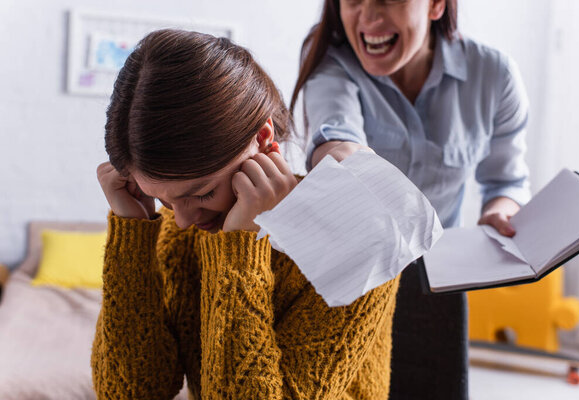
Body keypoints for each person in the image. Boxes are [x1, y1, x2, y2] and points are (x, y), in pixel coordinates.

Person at [92, 28, 400, 400]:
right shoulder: (181, 229)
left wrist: (239, 252)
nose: (184, 221)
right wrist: (132, 235)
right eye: (166, 202)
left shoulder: (360, 238)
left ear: (264, 139)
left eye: (202, 193)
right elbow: (131, 393)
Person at [291, 0, 530, 398]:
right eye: (353, 0)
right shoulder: (330, 63)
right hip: (355, 276)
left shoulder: (494, 75)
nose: (368, 19)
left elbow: (506, 181)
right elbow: (336, 136)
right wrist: (344, 161)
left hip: (438, 282)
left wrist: (498, 215)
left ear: (437, 5)